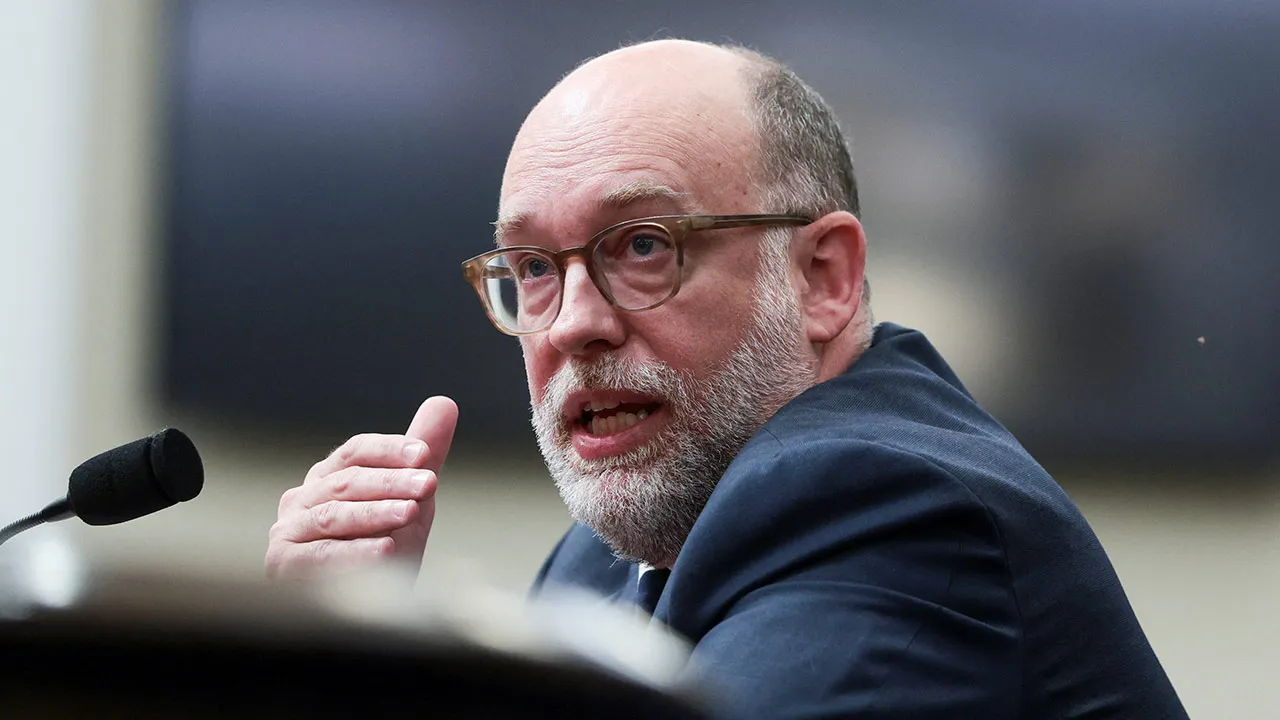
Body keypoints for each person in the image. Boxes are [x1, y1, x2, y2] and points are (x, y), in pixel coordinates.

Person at [265, 39, 1187, 718]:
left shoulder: (890, 506)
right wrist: (340, 647)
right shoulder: (610, 552)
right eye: (534, 269)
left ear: (822, 277)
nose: (575, 323)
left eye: (642, 246)